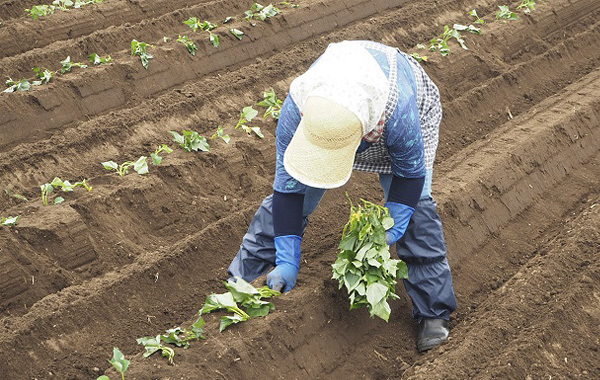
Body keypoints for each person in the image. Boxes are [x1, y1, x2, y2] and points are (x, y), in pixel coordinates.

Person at [228, 40, 457, 352]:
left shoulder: (402, 112)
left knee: (417, 211)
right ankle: (241, 284)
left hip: (396, 112)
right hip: (331, 118)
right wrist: (286, 258)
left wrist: (392, 225)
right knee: (295, 195)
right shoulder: (296, 111)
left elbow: (409, 177)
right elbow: (286, 191)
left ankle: (433, 313)